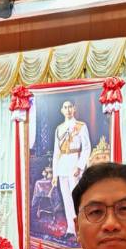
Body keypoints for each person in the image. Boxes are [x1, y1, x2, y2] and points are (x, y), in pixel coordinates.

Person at [52, 99, 92, 232]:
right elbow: (56, 152)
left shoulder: (81, 126)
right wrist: (55, 174)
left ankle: (81, 228)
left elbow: (86, 148)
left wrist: (79, 166)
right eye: (65, 107)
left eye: (70, 107)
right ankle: (71, 229)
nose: (68, 110)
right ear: (61, 110)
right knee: (66, 199)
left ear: (74, 109)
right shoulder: (59, 129)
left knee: (77, 198)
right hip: (62, 165)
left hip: (75, 164)